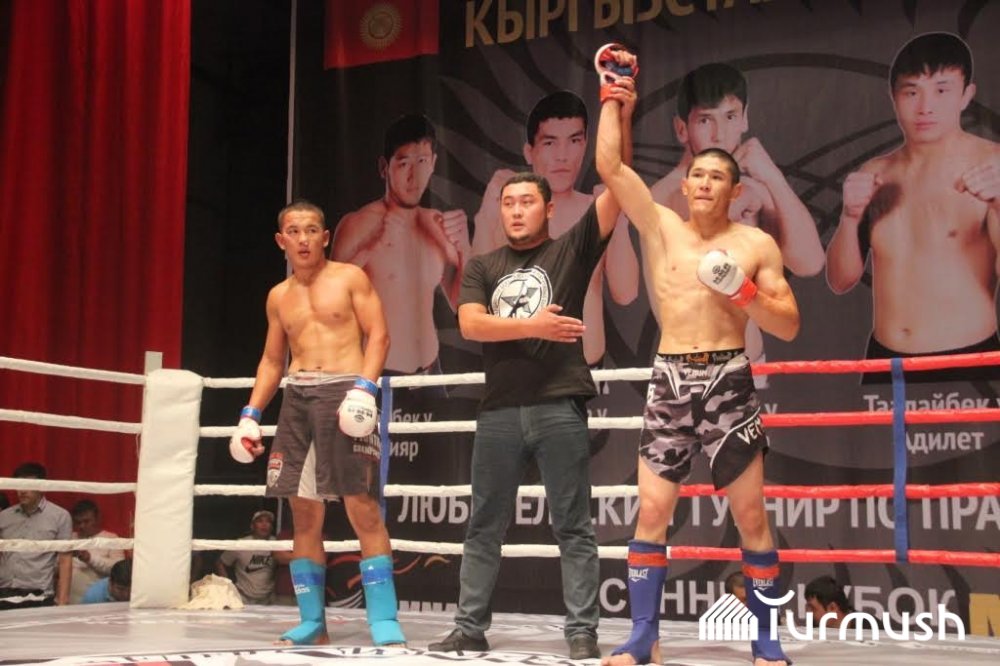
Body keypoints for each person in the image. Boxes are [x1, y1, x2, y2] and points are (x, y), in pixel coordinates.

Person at [427, 49, 637, 662]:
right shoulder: (484, 266)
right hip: (499, 409)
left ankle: (582, 633)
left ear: (547, 208)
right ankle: (469, 628)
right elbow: (470, 323)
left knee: (573, 525)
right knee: (483, 524)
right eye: (509, 203)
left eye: (527, 203)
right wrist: (534, 324)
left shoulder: (571, 248)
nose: (517, 210)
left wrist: (615, 103)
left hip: (559, 403)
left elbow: (618, 182)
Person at [596, 46, 799, 666]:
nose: (706, 183)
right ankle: (643, 638)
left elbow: (789, 324)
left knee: (751, 516)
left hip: (728, 378)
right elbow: (609, 166)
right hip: (669, 377)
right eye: (699, 175)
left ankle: (766, 640)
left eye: (718, 177)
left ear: (734, 189)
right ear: (685, 184)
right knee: (652, 511)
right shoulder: (661, 228)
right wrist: (612, 95)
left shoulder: (756, 243)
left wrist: (743, 292)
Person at [229, 200, 404, 647]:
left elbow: (380, 335)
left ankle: (384, 620)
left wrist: (365, 388)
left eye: (311, 230)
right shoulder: (278, 296)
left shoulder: (350, 277)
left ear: (325, 237)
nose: (303, 239)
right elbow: (272, 360)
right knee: (303, 513)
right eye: (294, 231)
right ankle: (312, 623)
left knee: (361, 505)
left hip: (346, 390)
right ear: (281, 240)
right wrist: (250, 414)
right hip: (297, 397)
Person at [826, 32, 1000, 383]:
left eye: (941, 90)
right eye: (911, 92)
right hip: (885, 361)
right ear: (894, 98)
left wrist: (999, 205)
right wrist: (849, 218)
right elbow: (840, 281)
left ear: (966, 95)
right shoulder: (875, 173)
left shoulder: (992, 165)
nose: (925, 107)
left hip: (969, 360)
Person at [650, 62, 822, 386]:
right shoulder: (661, 200)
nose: (720, 134)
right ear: (682, 128)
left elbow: (810, 262)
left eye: (730, 117)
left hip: (750, 365)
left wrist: (773, 177)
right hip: (686, 369)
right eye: (705, 120)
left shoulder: (754, 189)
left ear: (745, 118)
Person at [471, 90, 639, 369]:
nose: (563, 155)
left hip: (586, 372)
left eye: (574, 141)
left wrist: (618, 218)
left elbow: (626, 293)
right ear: (529, 151)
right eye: (550, 143)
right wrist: (486, 216)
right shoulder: (507, 215)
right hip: (521, 373)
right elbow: (474, 299)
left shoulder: (597, 211)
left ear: (586, 145)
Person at [333, 113, 469, 381]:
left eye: (422, 162)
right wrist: (372, 245)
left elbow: (461, 306)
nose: (413, 176)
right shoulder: (356, 225)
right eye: (404, 163)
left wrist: (464, 250)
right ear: (384, 167)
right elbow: (331, 303)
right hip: (376, 373)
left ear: (433, 164)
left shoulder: (437, 224)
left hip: (431, 372)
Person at [0, 462, 73, 609]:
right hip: (5, 591)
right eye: (18, 485)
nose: (22, 491)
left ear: (42, 486)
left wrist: (63, 601)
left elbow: (65, 560)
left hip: (39, 594)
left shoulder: (60, 516)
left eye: (27, 485)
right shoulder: (4, 516)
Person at [215, 509, 279, 605]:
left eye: (268, 522)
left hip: (269, 598)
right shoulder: (241, 544)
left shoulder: (278, 543)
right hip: (243, 597)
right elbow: (220, 562)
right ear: (252, 526)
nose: (264, 525)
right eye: (260, 521)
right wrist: (229, 586)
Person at [68, 499, 124, 604]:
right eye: (78, 522)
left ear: (97, 519)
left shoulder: (112, 539)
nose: (81, 526)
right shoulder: (69, 538)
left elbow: (118, 571)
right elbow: (56, 568)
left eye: (86, 521)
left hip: (97, 603)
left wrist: (90, 558)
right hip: (69, 602)